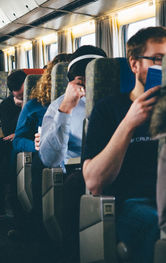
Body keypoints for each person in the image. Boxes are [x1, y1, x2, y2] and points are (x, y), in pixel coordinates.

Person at [82, 26, 166, 263]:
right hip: (134, 203)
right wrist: (129, 123)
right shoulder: (109, 109)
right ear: (134, 64)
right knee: (156, 225)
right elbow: (94, 182)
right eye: (158, 59)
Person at [12, 53, 71, 241]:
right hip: (46, 157)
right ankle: (37, 224)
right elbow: (17, 140)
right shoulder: (35, 106)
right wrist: (36, 145)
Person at [39, 45, 107, 169]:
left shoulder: (122, 101)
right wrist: (65, 109)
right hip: (78, 172)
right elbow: (49, 159)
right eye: (82, 82)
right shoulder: (58, 107)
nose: (89, 88)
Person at [0, 69, 26, 217]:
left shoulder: (38, 100)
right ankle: (1, 208)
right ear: (12, 92)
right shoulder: (6, 105)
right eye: (18, 94)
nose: (22, 96)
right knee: (1, 167)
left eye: (24, 93)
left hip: (22, 141)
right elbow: (9, 130)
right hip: (4, 143)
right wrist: (23, 108)